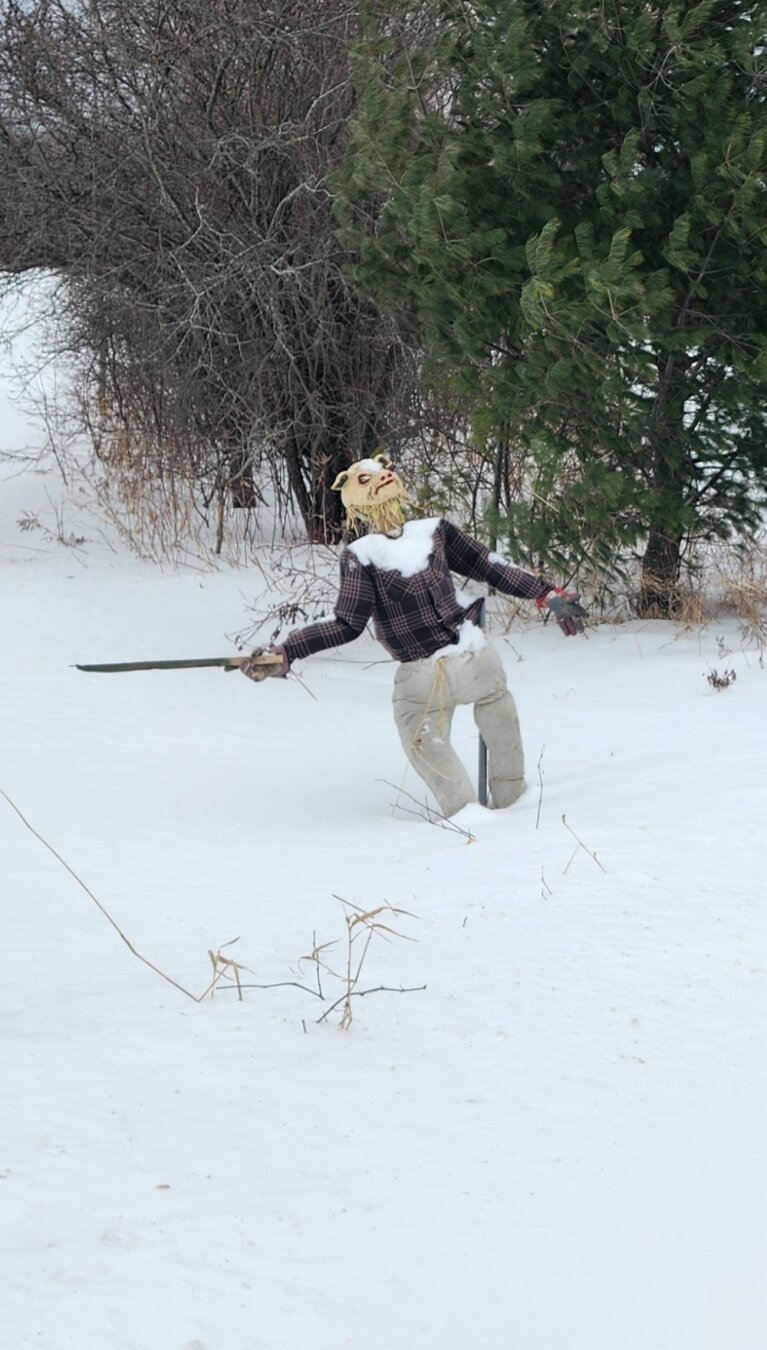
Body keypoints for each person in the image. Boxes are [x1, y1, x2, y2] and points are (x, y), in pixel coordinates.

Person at [241, 455, 586, 817]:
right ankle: (514, 799)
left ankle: (467, 816)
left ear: (354, 505)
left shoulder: (362, 555)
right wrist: (547, 593)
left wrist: (287, 651)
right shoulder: (435, 530)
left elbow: (347, 623)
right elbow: (490, 566)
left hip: (423, 676)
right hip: (475, 657)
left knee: (423, 742)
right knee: (498, 706)